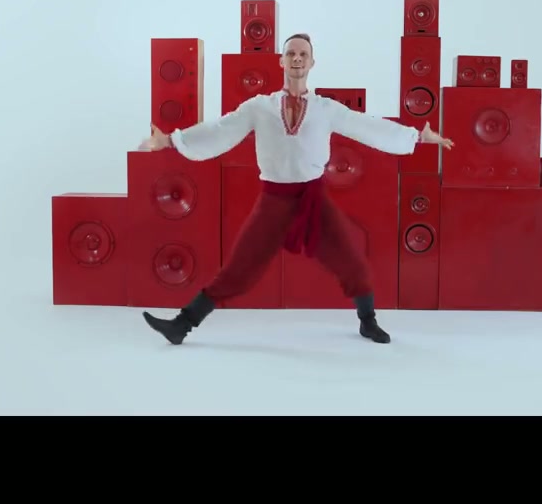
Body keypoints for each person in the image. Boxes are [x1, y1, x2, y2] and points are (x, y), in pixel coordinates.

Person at [136, 32, 454, 345]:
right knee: (239, 268)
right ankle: (181, 325)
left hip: (313, 199)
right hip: (273, 200)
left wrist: (417, 136)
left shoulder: (326, 108)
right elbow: (221, 129)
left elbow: (367, 126)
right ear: (281, 61)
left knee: (351, 260)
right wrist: (171, 140)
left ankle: (368, 322)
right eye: (291, 54)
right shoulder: (259, 107)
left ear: (312, 62)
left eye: (303, 54)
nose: (297, 59)